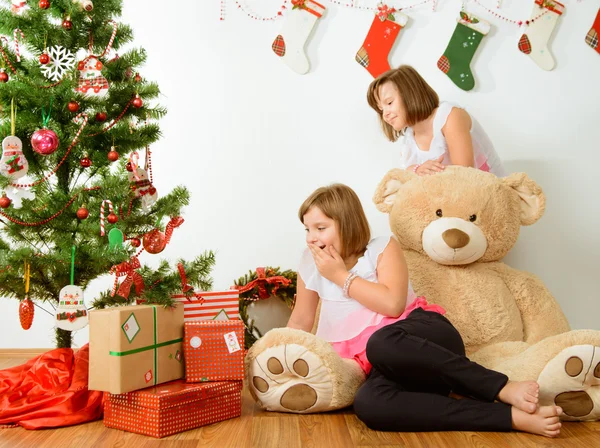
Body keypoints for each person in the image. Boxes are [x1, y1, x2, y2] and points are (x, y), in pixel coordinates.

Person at [288, 183, 562, 437]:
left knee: (381, 342)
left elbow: (393, 305)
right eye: (307, 230)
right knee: (370, 403)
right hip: (383, 365)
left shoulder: (380, 248)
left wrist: (339, 276)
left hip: (422, 337)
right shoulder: (310, 263)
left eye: (320, 228)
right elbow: (301, 320)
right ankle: (508, 418)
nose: (311, 238)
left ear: (346, 224)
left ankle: (501, 387)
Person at [367, 65, 506, 177]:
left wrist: (422, 175)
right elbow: (404, 177)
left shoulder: (449, 117)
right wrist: (417, 170)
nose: (385, 114)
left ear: (411, 94)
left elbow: (464, 175)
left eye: (389, 103)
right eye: (380, 109)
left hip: (488, 199)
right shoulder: (410, 139)